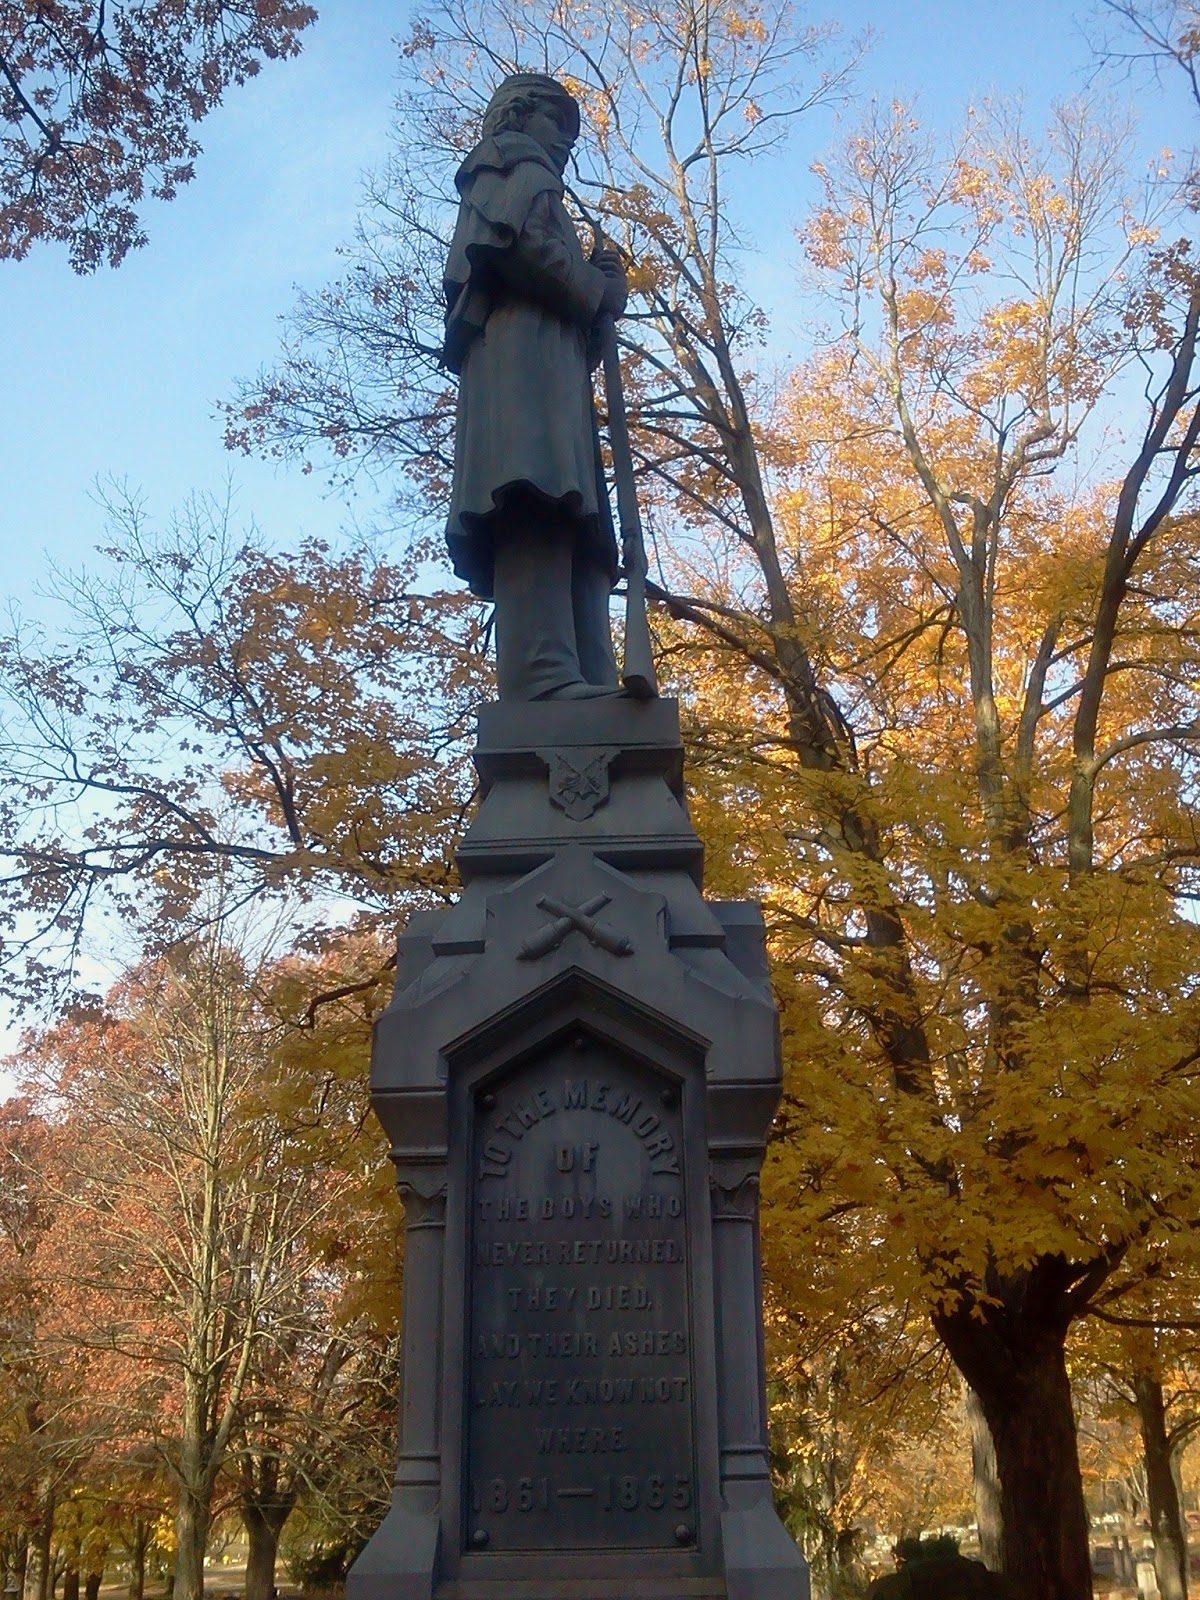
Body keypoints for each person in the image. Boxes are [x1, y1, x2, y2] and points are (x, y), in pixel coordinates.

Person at [443, 72, 629, 701]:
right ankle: (542, 674)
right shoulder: (505, 166)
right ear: (521, 116)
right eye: (560, 127)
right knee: (534, 488)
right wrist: (595, 288)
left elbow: (556, 271)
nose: (566, 146)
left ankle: (588, 671)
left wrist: (600, 293)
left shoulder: (526, 172)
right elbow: (521, 249)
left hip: (548, 360)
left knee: (574, 508)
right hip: (519, 358)